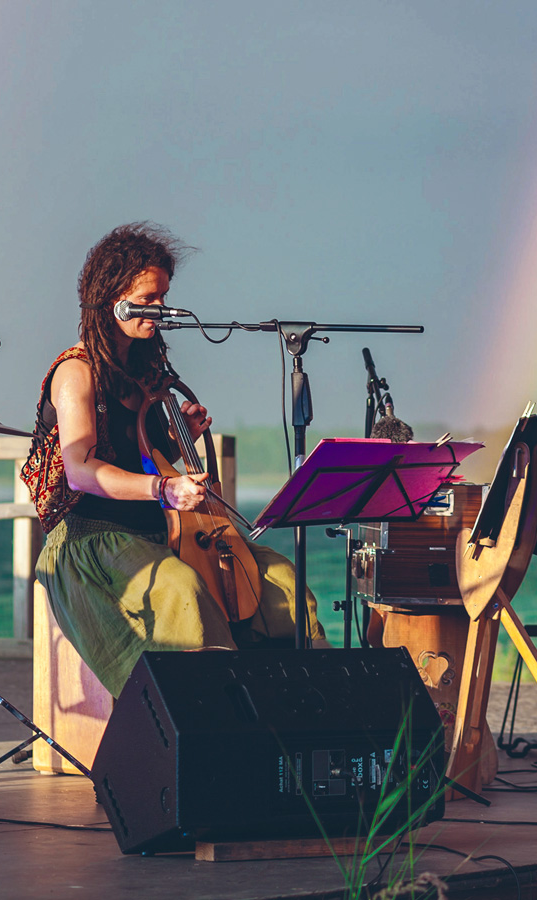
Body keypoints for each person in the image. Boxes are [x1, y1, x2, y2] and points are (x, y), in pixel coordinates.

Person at [26, 223, 325, 695]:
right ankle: (207, 717)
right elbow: (81, 471)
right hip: (93, 537)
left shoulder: (148, 371)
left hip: (163, 530)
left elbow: (145, 456)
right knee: (180, 589)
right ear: (111, 297)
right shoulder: (75, 372)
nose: (161, 309)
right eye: (149, 298)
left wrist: (178, 434)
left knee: (284, 582)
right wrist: (164, 489)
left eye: (164, 296)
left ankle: (298, 708)